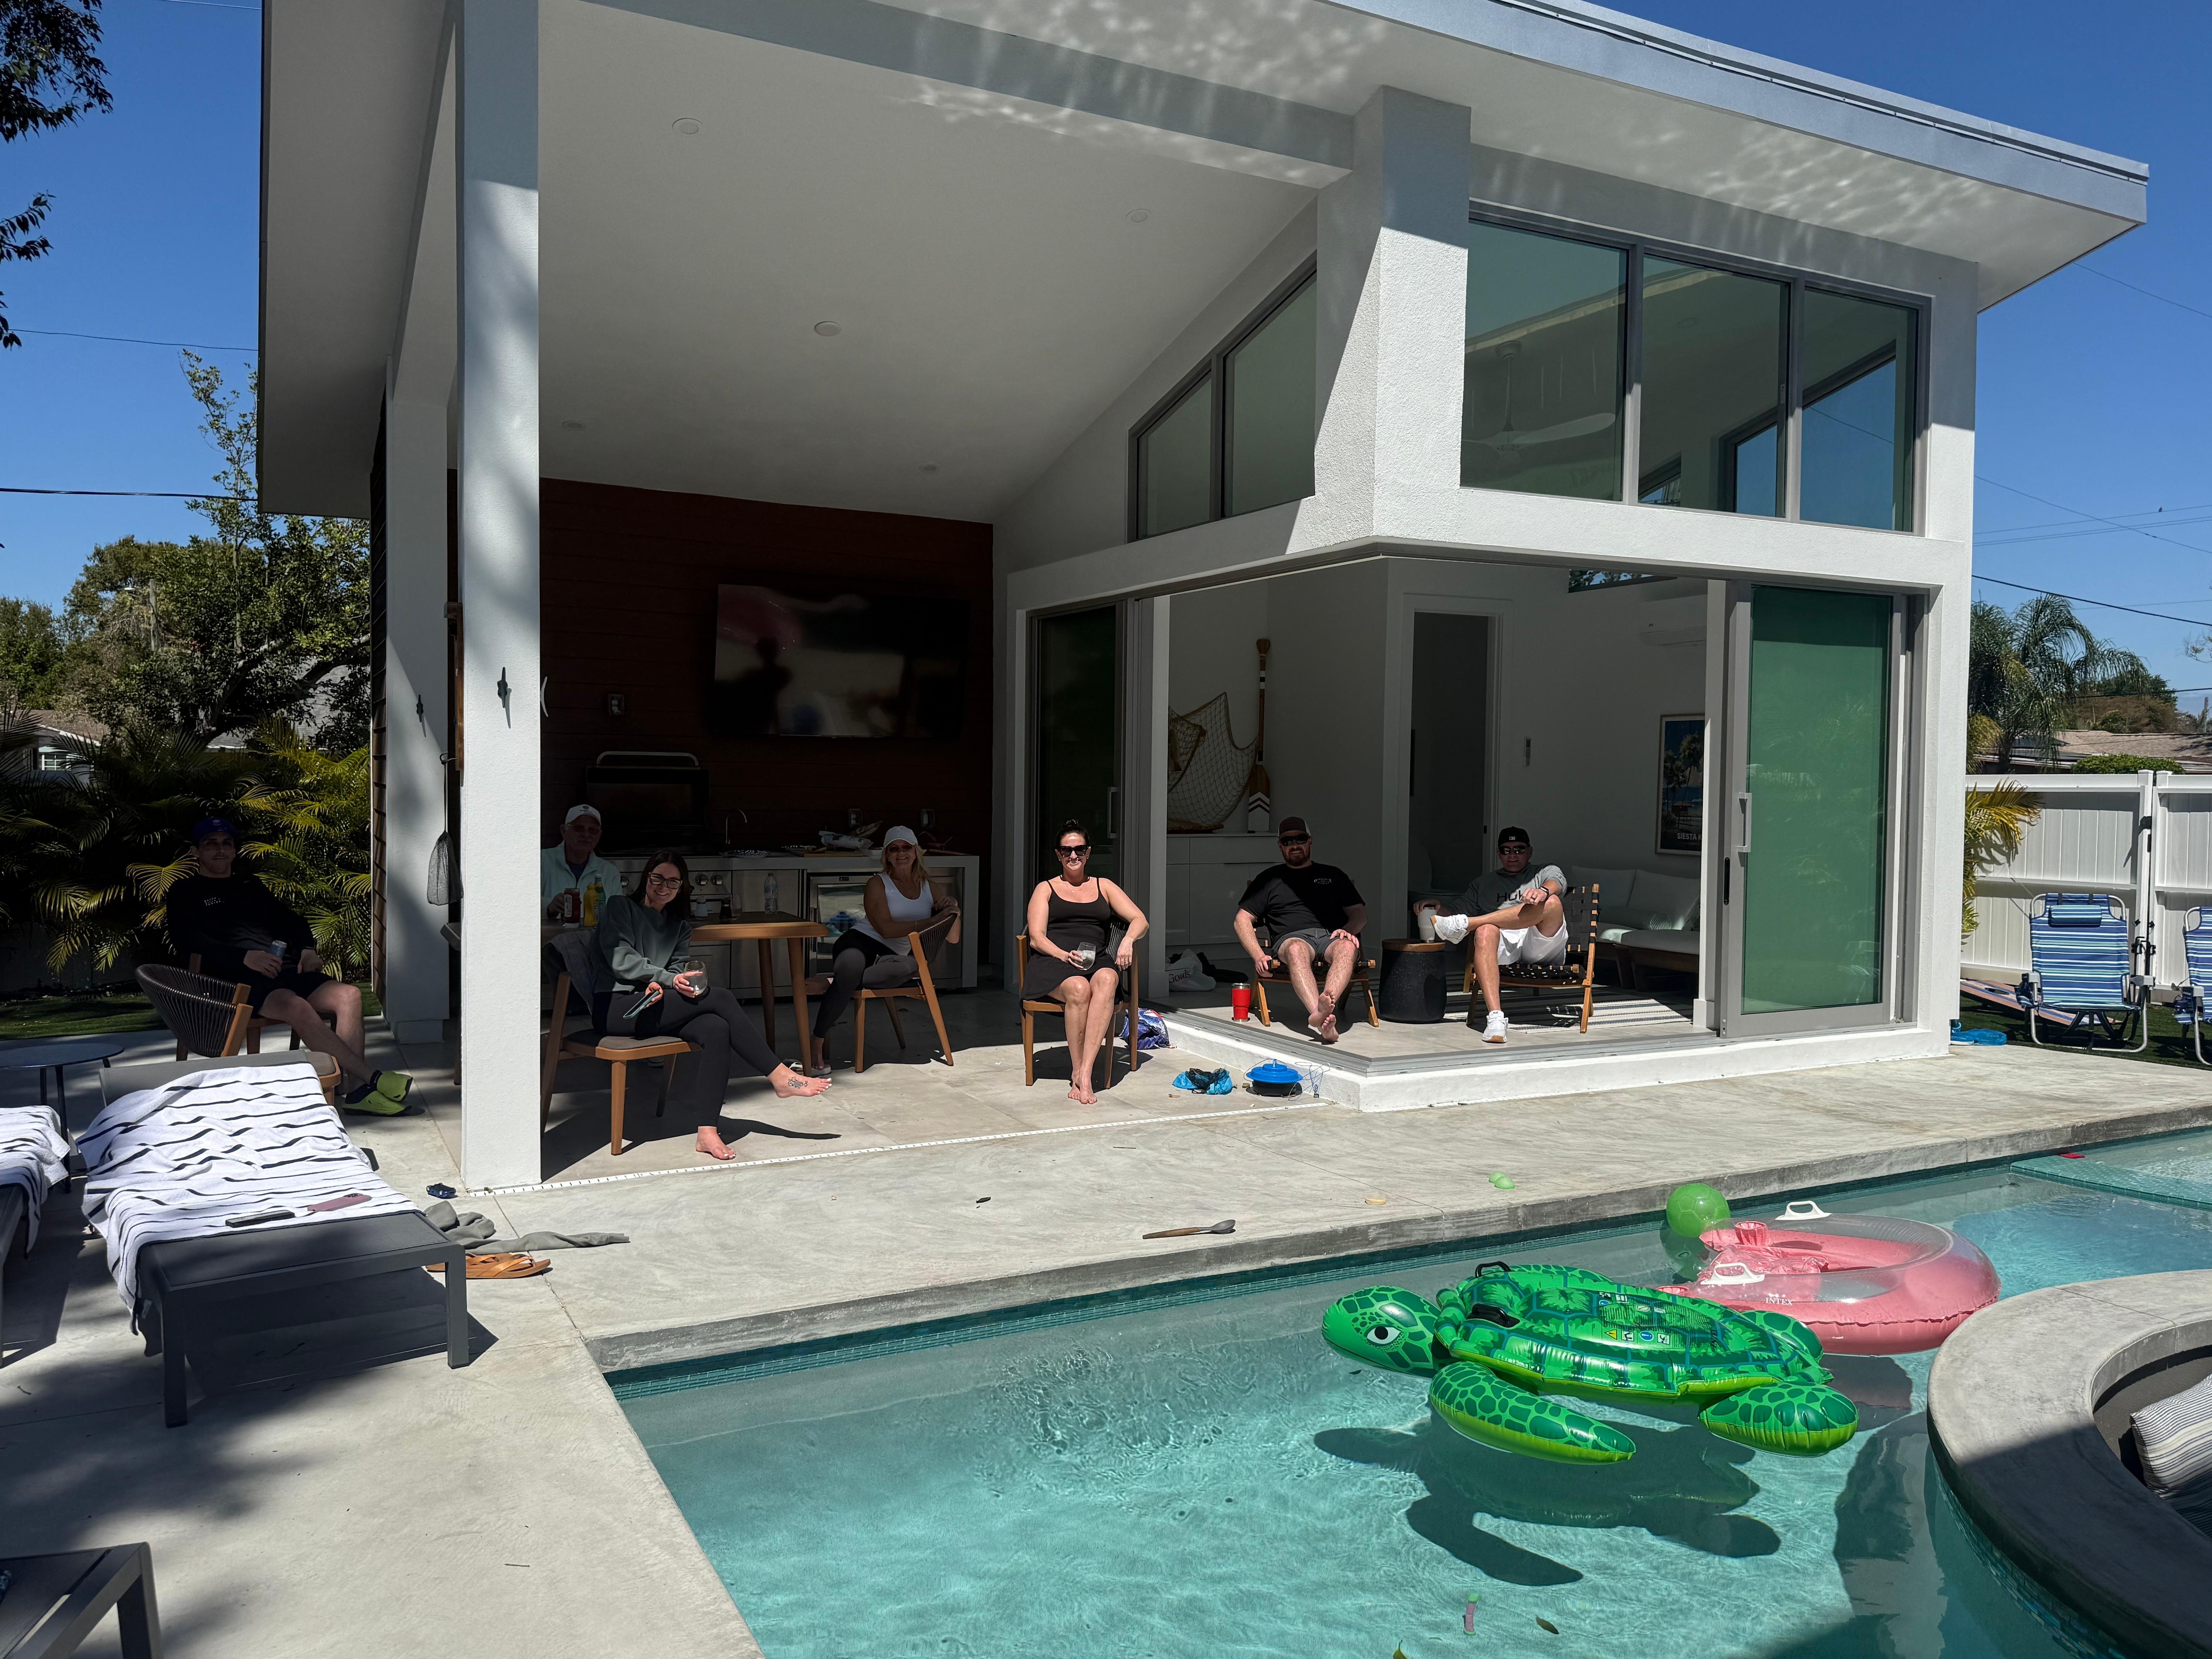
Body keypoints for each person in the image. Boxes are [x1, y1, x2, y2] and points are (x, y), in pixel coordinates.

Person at [590, 849, 831, 1161]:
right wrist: (663, 977)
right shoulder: (620, 906)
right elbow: (621, 959)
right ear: (646, 877)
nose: (663, 887)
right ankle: (780, 1076)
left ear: (681, 888)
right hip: (618, 1007)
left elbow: (677, 969)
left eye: (673, 882)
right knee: (721, 997)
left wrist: (673, 981)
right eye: (657, 878)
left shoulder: (679, 927)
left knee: (716, 1028)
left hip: (655, 1004)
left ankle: (707, 1132)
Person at [168, 817, 412, 1112]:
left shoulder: (250, 885)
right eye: (211, 844)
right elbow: (189, 941)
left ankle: (356, 1090)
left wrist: (308, 949)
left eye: (226, 843)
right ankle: (371, 1078)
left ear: (234, 850)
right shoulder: (185, 892)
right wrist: (244, 958)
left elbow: (293, 922)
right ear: (196, 851)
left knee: (350, 995)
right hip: (234, 979)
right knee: (296, 1007)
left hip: (282, 970)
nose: (220, 850)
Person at [801, 826, 959, 1076]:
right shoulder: (878, 883)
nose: (901, 853)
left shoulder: (929, 887)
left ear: (916, 852)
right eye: (894, 849)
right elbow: (886, 930)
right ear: (887, 856)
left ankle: (833, 981)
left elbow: (953, 937)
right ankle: (816, 1043)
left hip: (893, 956)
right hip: (861, 941)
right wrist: (932, 920)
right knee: (851, 967)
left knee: (911, 966)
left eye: (906, 847)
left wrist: (954, 909)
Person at [1022, 821, 1148, 1105]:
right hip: (1054, 961)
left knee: (1108, 979)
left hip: (1096, 958)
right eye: (1067, 851)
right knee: (1079, 988)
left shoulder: (1104, 886)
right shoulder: (1046, 889)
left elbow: (1140, 920)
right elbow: (1037, 939)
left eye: (1079, 850)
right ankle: (1076, 1068)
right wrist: (1063, 955)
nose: (1073, 856)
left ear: (1088, 853)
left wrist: (1128, 940)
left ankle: (1085, 1072)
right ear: (1058, 855)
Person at [1427, 826, 1567, 1045]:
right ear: (1499, 854)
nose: (1513, 855)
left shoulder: (1543, 872)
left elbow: (1557, 883)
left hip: (1540, 940)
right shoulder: (1483, 883)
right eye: (1506, 850)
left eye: (1519, 849)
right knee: (1485, 931)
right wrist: (1437, 908)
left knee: (1553, 903)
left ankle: (1471, 924)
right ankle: (1496, 1019)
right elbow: (1455, 911)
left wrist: (1543, 891)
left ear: (1530, 851)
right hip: (1505, 943)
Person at [1233, 817, 1367, 1043]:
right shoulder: (1269, 879)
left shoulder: (1333, 875)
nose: (1294, 845)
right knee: (1297, 949)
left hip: (1331, 937)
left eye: (1300, 839)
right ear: (1280, 846)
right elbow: (1241, 919)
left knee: (1348, 947)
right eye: (1288, 841)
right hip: (1291, 938)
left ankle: (1323, 1011)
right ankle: (1321, 1016)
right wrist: (1258, 955)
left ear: (1310, 841)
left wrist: (1348, 930)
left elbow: (1359, 914)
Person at [542, 804, 626, 923]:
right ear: (564, 831)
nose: (586, 835)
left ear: (599, 835)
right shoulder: (541, 861)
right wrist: (549, 906)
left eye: (593, 830)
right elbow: (521, 902)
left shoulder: (610, 872)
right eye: (579, 828)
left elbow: (617, 916)